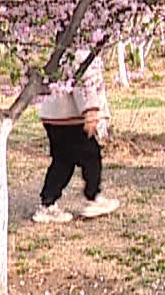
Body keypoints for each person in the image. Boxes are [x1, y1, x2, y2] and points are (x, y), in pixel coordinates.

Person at [33, 53, 120, 223]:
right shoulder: (79, 48)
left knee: (62, 161)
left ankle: (48, 203)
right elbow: (83, 80)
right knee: (91, 156)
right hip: (70, 116)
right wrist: (90, 111)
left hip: (52, 115)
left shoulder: (56, 44)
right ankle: (93, 197)